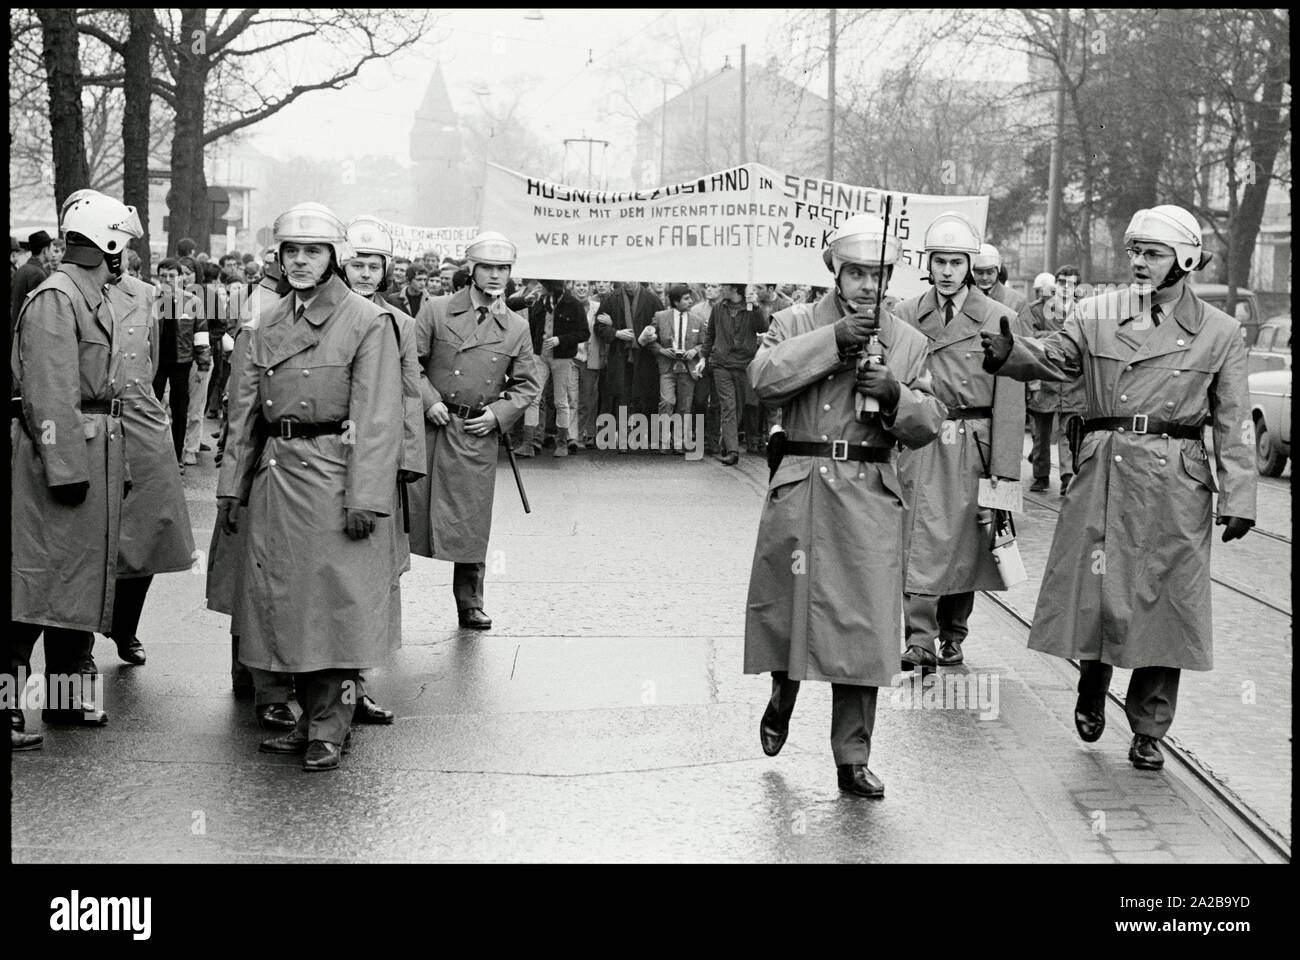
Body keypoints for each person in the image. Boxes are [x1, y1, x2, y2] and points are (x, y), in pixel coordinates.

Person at [980, 204, 1257, 770]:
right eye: (1134, 252)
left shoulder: (1221, 332)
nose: (1139, 263)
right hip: (1104, 466)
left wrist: (1240, 497)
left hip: (1176, 482)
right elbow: (1058, 357)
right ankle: (1091, 681)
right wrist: (1016, 355)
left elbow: (1232, 421)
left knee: (1166, 605)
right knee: (1097, 588)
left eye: (1152, 254)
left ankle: (1150, 727)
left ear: (1184, 260)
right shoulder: (1098, 311)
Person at [744, 213, 945, 797]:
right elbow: (763, 380)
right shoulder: (795, 321)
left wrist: (895, 396)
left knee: (863, 629)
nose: (867, 285)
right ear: (834, 269)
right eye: (856, 272)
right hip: (803, 482)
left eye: (878, 274)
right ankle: (782, 692)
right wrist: (832, 343)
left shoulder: (909, 341)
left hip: (868, 490)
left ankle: (851, 758)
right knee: (789, 611)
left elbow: (930, 422)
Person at [218, 201, 404, 771]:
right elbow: (244, 410)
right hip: (277, 474)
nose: (300, 261)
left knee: (334, 606)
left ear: (333, 258)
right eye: (291, 251)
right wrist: (231, 484)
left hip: (334, 473)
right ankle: (303, 719)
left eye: (313, 251)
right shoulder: (268, 319)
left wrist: (367, 496)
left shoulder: (366, 321)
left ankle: (330, 725)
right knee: (285, 604)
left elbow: (377, 417)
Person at [9, 191, 144, 747]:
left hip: (96, 452)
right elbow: (49, 393)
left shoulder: (91, 296)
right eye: (126, 246)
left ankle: (62, 701)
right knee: (33, 589)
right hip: (63, 459)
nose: (129, 257)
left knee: (78, 585)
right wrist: (65, 468)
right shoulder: (57, 299)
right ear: (108, 244)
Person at [894, 212, 1026, 672]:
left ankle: (953, 633)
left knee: (970, 544)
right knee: (920, 540)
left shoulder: (1001, 318)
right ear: (928, 264)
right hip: (922, 438)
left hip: (976, 446)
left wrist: (1005, 477)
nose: (947, 271)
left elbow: (1011, 403)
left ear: (970, 265)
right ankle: (919, 638)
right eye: (940, 261)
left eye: (956, 261)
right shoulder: (906, 313)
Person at [409, 232, 540, 629]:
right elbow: (408, 363)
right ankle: (382, 590)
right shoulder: (435, 310)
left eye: (503, 268)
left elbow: (527, 386)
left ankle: (470, 602)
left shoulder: (516, 326)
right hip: (430, 427)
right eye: (488, 267)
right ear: (472, 270)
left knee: (470, 522)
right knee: (403, 514)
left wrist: (499, 416)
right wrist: (429, 400)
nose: (496, 275)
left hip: (475, 431)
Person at [341, 215, 427, 725]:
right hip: (328, 454)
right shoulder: (326, 316)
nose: (366, 273)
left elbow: (410, 394)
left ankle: (355, 686)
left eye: (374, 266)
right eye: (358, 263)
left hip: (381, 461)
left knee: (376, 575)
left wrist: (408, 459)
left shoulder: (400, 321)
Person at [207, 244, 296, 727]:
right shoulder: (261, 313)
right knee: (249, 568)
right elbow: (242, 397)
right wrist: (233, 475)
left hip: (285, 457)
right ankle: (252, 673)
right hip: (259, 451)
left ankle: (264, 673)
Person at [1023, 265, 1087, 493]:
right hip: (1045, 377)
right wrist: (1058, 339)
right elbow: (1028, 336)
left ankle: (1067, 476)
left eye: (1071, 283)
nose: (1066, 287)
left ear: (1077, 287)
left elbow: (1086, 341)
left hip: (1073, 382)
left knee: (1068, 432)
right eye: (1061, 282)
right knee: (1040, 432)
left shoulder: (1085, 310)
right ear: (1055, 284)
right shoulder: (1038, 309)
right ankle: (1040, 475)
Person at [514, 279, 588, 459]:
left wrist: (560, 339)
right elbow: (532, 327)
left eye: (543, 285)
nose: (539, 288)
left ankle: (562, 443)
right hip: (540, 356)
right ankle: (528, 443)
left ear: (551, 287)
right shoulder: (540, 302)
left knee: (560, 401)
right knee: (533, 398)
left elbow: (584, 333)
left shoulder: (574, 305)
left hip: (562, 357)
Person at [702, 282, 769, 465]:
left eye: (724, 285)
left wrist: (755, 307)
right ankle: (733, 450)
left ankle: (727, 440)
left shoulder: (750, 308)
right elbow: (710, 334)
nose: (721, 288)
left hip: (744, 364)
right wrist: (703, 357)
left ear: (734, 289)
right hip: (721, 364)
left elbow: (762, 328)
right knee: (728, 406)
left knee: (738, 407)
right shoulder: (718, 308)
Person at [152, 258, 208, 468]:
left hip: (182, 362)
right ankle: (154, 456)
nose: (167, 280)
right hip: (157, 362)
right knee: (154, 406)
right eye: (163, 276)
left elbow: (201, 334)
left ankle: (177, 456)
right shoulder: (151, 300)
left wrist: (203, 365)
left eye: (172, 276)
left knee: (180, 408)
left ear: (181, 278)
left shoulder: (192, 302)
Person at [592, 280, 663, 440]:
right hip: (619, 354)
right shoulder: (611, 299)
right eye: (625, 279)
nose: (629, 282)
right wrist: (616, 333)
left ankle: (645, 435)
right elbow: (599, 327)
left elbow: (661, 324)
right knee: (620, 393)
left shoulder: (652, 300)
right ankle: (622, 435)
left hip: (645, 355)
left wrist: (653, 334)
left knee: (645, 393)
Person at [647, 283, 704, 453]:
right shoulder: (660, 316)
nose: (690, 301)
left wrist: (694, 350)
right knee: (666, 401)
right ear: (675, 301)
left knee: (685, 405)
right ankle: (664, 441)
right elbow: (650, 339)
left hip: (688, 367)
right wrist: (661, 350)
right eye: (686, 298)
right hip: (667, 366)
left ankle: (678, 442)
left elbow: (704, 343)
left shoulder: (697, 320)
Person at [572, 279, 606, 448]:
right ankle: (571, 435)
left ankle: (586, 433)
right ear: (572, 287)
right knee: (571, 398)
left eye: (585, 285)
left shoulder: (598, 308)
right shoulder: (566, 305)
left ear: (590, 288)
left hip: (590, 357)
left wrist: (610, 323)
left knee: (588, 398)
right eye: (578, 285)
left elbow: (603, 329)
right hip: (570, 357)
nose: (582, 288)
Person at [11, 229, 56, 336]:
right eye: (51, 249)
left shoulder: (22, 269)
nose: (52, 253)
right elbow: (39, 314)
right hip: (28, 336)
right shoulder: (38, 274)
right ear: (45, 250)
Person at [971, 243, 1027, 314]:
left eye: (990, 272)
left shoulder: (1018, 301)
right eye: (980, 273)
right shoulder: (963, 297)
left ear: (998, 271)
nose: (984, 278)